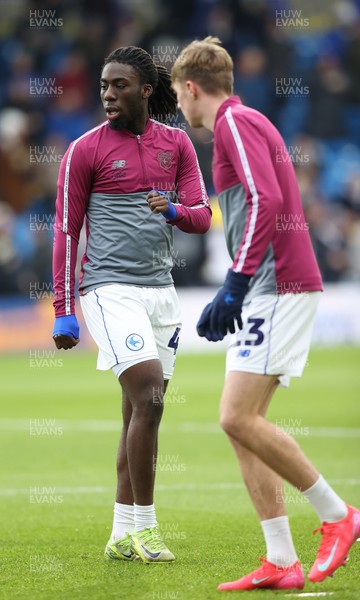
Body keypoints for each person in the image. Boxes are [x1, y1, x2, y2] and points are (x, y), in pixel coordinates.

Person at [171, 37, 360, 590]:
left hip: (277, 283)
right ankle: (281, 558)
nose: (179, 109)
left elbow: (265, 201)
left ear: (190, 88)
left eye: (177, 97)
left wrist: (236, 281)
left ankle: (337, 516)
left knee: (236, 417)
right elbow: (252, 202)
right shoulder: (244, 120)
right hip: (268, 284)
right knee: (239, 426)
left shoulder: (232, 122)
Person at [52, 45, 211, 564]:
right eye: (102, 86)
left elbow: (202, 216)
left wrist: (173, 211)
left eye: (119, 85)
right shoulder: (84, 150)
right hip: (107, 289)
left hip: (159, 292)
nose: (107, 94)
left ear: (145, 90)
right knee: (150, 396)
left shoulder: (178, 145)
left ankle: (120, 533)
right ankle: (147, 528)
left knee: (138, 414)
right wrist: (64, 308)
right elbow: (66, 230)